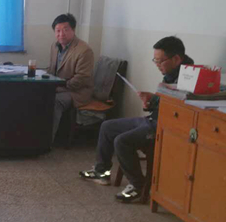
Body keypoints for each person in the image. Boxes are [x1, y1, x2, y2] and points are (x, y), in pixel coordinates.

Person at [80, 36, 194, 202]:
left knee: (122, 141)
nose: (157, 65)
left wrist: (156, 102)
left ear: (176, 59)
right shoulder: (171, 73)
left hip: (163, 126)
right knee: (107, 126)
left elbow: (179, 111)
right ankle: (101, 172)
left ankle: (138, 185)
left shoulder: (189, 78)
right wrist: (151, 100)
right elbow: (166, 101)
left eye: (160, 61)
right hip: (152, 119)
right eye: (155, 60)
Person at [48, 13, 95, 141]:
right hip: (59, 87)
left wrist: (58, 87)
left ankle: (48, 141)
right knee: (37, 94)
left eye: (65, 30)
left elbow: (81, 79)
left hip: (78, 92)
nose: (61, 34)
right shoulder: (55, 46)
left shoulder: (84, 50)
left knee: (54, 101)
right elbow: (52, 70)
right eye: (58, 30)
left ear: (73, 30)